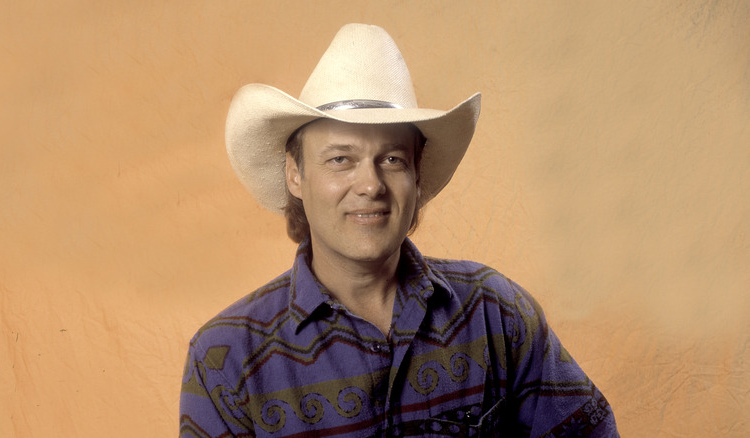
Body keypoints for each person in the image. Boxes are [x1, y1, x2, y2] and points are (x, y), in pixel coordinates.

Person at [179, 23, 619, 437]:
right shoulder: (226, 359)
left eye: (391, 159)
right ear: (295, 175)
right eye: (340, 159)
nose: (370, 185)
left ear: (417, 175)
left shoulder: (495, 313)